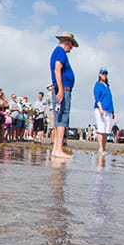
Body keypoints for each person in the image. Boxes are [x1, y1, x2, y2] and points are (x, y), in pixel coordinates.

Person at [49, 31, 78, 160]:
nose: (71, 48)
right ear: (67, 42)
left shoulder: (57, 52)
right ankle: (58, 148)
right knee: (62, 118)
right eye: (71, 45)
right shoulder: (60, 52)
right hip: (63, 89)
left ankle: (56, 148)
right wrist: (60, 89)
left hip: (62, 88)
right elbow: (57, 69)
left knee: (59, 117)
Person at [92, 67, 114, 154]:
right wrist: (100, 108)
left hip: (108, 109)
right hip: (100, 109)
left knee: (106, 131)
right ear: (99, 74)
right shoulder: (98, 85)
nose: (104, 75)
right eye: (102, 73)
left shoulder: (107, 86)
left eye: (105, 73)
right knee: (101, 129)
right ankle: (100, 148)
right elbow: (97, 98)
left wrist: (112, 111)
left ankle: (104, 148)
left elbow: (110, 99)